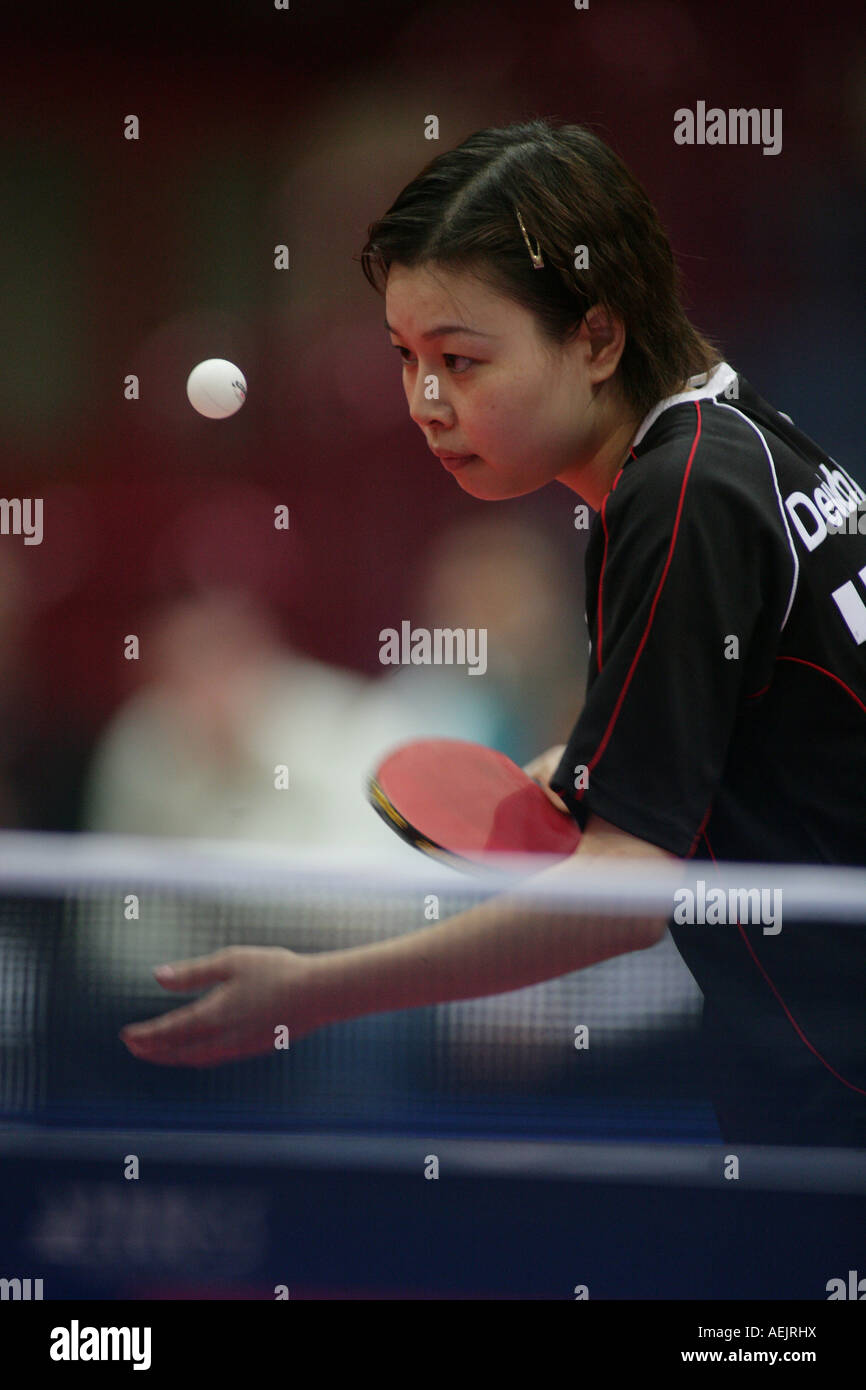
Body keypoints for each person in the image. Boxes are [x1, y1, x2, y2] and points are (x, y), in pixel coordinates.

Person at [120, 119, 866, 1146]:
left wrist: (311, 993)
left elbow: (623, 895)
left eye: (460, 360)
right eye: (405, 357)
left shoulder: (680, 494)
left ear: (596, 336)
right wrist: (584, 767)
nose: (425, 402)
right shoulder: (737, 440)